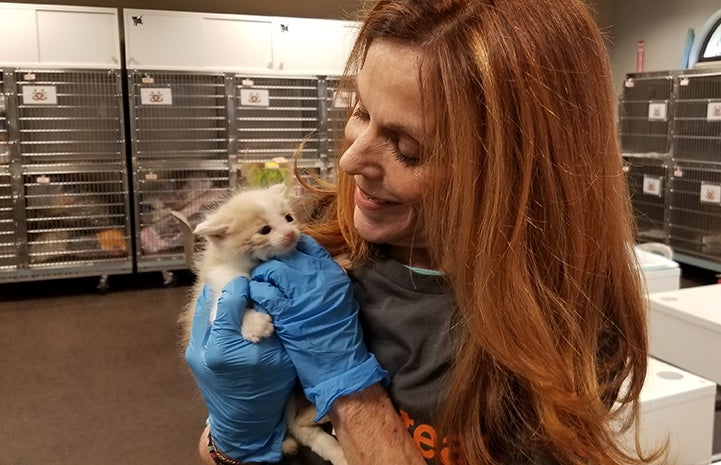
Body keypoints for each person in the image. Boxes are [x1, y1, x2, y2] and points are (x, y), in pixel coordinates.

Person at [185, 0, 659, 464]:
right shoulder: (313, 232)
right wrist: (234, 441)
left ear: (512, 177)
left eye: (408, 148)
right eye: (362, 112)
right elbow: (217, 446)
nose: (350, 161)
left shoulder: (560, 320)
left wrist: (350, 388)